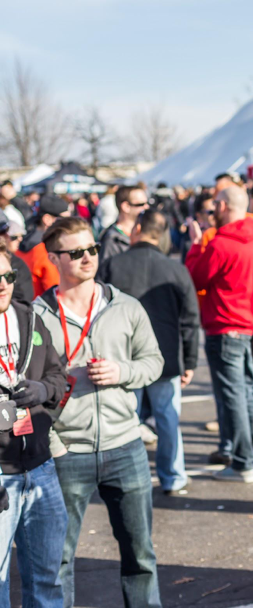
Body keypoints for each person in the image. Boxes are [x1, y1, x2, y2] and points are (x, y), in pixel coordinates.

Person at [34, 217, 164, 608]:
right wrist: (54, 443)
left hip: (125, 446)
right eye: (76, 252)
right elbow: (28, 389)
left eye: (91, 249)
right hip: (66, 452)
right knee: (57, 558)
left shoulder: (126, 307)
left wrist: (122, 372)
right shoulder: (37, 317)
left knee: (140, 555)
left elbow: (154, 362)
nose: (88, 257)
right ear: (54, 258)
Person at [98, 210, 200, 495]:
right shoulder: (175, 269)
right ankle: (173, 475)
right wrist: (189, 361)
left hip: (124, 357)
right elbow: (190, 319)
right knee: (167, 420)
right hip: (165, 357)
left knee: (126, 420)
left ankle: (126, 478)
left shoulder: (113, 265)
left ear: (138, 228)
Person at [185, 185, 253, 481]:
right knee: (252, 393)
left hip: (227, 328)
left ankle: (243, 462)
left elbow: (195, 277)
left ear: (224, 206)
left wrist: (196, 245)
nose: (213, 212)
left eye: (215, 206)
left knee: (235, 397)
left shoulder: (221, 243)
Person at [0, 248, 68, 608]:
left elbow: (58, 374)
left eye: (7, 276)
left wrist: (44, 389)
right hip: (1, 471)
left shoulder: (29, 319)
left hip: (40, 467)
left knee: (46, 581)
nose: (2, 285)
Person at [18, 195, 70, 298]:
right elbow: (56, 291)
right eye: (65, 219)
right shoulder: (46, 250)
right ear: (47, 219)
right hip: (41, 309)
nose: (69, 224)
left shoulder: (19, 243)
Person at [100, 186, 149, 262]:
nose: (147, 207)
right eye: (141, 204)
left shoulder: (146, 232)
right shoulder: (112, 240)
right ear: (126, 207)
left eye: (147, 203)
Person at [0, 213, 33, 308]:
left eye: (9, 276)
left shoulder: (17, 264)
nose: (4, 285)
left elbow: (23, 301)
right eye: (14, 237)